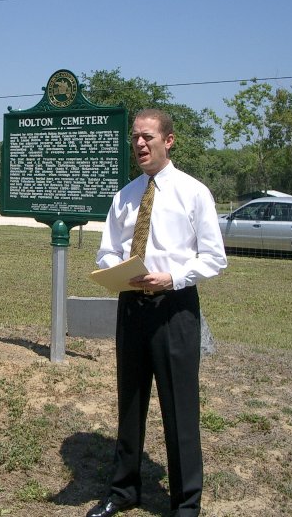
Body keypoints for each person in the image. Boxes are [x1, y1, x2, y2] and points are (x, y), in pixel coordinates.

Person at [87, 109, 227, 517]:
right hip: (131, 306)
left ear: (169, 141)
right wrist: (117, 267)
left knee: (179, 407)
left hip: (174, 308)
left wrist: (173, 278)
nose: (140, 145)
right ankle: (124, 490)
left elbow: (214, 258)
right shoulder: (125, 195)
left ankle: (185, 502)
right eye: (135, 138)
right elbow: (107, 248)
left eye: (147, 137)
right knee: (130, 401)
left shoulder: (193, 192)